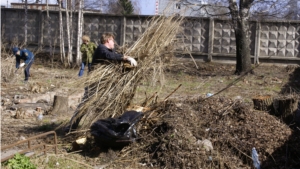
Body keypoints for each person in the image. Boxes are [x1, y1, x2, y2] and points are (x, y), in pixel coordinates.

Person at [66, 32, 137, 132]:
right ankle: (71, 126)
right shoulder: (101, 49)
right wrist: (125, 57)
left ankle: (107, 127)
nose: (114, 43)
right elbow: (108, 55)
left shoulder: (108, 50)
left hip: (102, 84)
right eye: (112, 40)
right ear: (108, 40)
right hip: (94, 83)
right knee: (85, 104)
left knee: (106, 104)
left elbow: (113, 55)